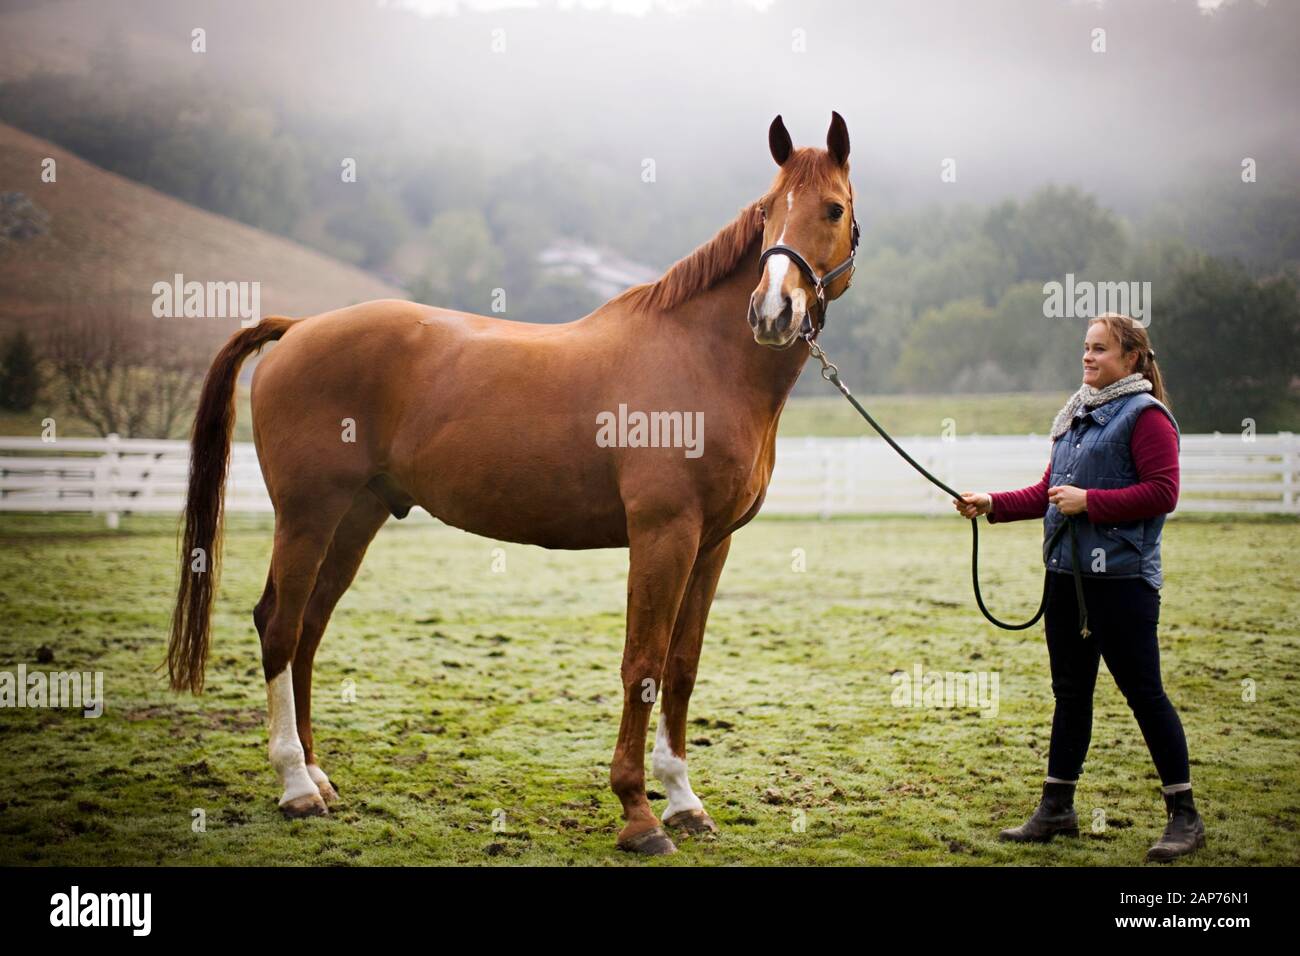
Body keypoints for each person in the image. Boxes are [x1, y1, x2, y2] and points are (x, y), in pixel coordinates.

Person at [953, 313, 1205, 862]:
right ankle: (1057, 807)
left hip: (1122, 583)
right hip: (1066, 579)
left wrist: (1092, 502)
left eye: (1100, 350)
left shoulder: (1146, 418)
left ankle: (1184, 815)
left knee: (1145, 695)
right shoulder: (1077, 415)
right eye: (1085, 348)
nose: (1088, 358)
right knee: (1070, 694)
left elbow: (1163, 493)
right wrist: (992, 504)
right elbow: (1050, 490)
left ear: (1132, 359)